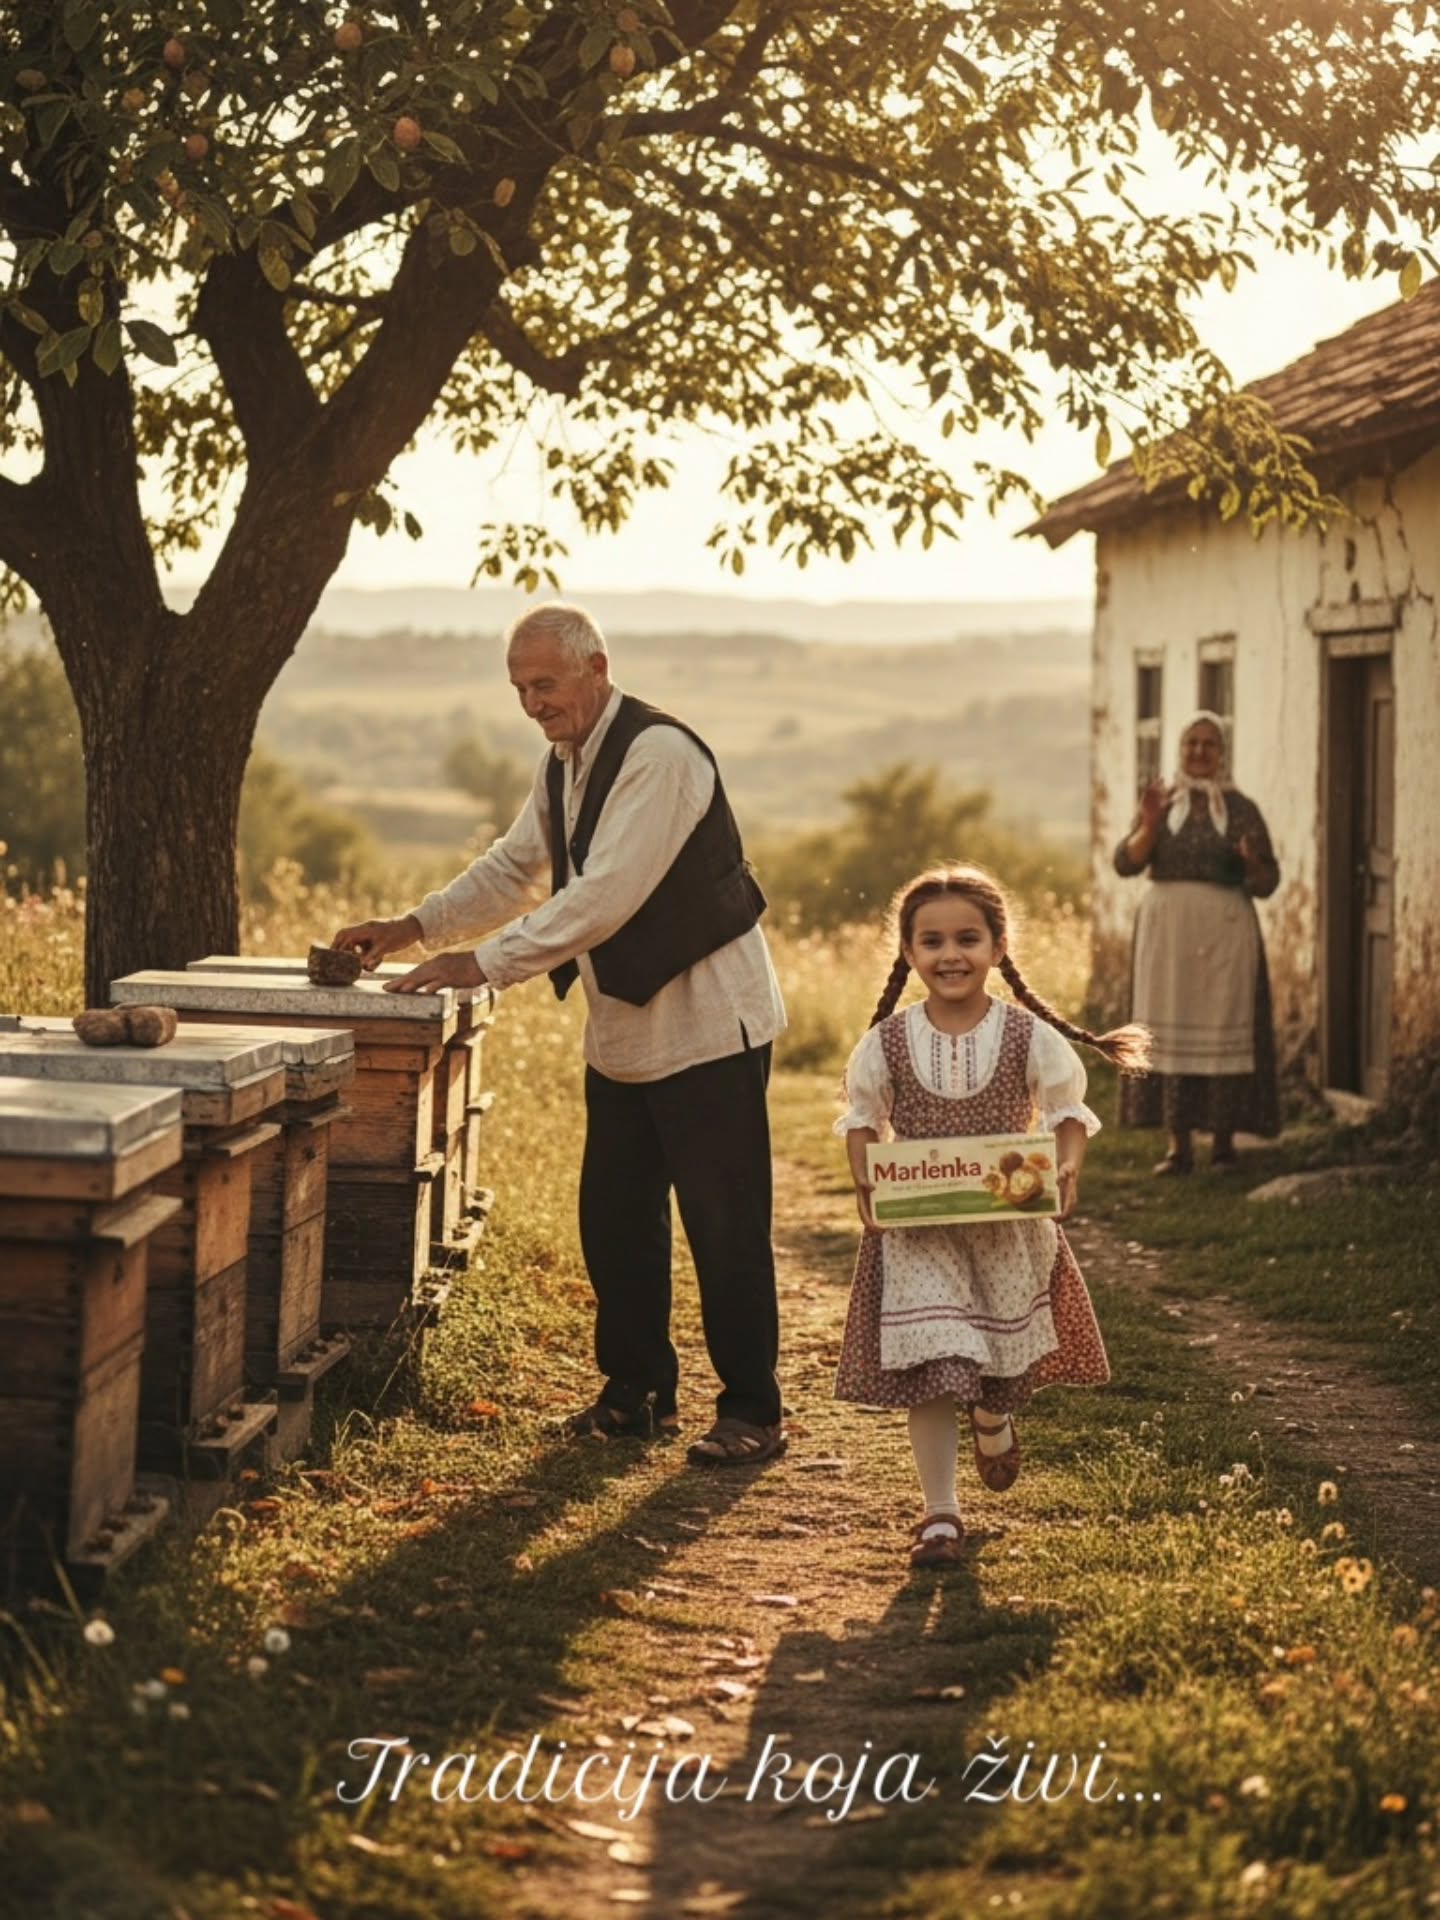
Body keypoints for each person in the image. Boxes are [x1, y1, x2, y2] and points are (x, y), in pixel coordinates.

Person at [331, 602, 789, 1467]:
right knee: (615, 1220)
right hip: (624, 1032)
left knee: (724, 1225)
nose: (533, 703)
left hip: (710, 1024)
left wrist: (485, 963)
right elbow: (515, 868)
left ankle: (754, 1410)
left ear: (596, 668)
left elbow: (605, 893)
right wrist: (412, 927)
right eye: (520, 688)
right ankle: (637, 1394)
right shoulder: (563, 764)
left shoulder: (660, 756)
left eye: (545, 683)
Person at [834, 865, 1148, 1570]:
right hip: (919, 1233)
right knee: (938, 1360)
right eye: (933, 940)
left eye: (968, 938)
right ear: (909, 953)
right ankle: (941, 1514)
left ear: (999, 947)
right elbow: (862, 1117)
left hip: (1007, 1229)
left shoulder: (1026, 1034)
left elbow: (1067, 1112)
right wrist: (864, 1176)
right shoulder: (886, 1041)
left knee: (994, 1364)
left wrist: (1066, 1167)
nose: (951, 954)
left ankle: (993, 1410)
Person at [1113, 710, 1281, 1174]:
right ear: (1180, 750)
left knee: (1224, 1026)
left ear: (1222, 753)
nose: (1200, 752)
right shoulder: (1161, 803)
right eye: (1191, 744)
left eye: (1209, 744)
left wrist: (1251, 863)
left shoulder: (1242, 808)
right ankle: (1178, 1145)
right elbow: (1125, 863)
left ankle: (1224, 1144)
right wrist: (1149, 823)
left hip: (1225, 932)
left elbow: (1268, 882)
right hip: (1168, 935)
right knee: (1169, 1028)